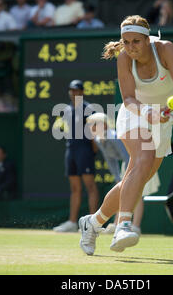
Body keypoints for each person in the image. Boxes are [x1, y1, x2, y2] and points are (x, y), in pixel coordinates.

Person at [78, 15, 173, 255]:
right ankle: (123, 226)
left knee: (139, 178)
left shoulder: (166, 50)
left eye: (136, 41)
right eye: (125, 42)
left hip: (162, 119)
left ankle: (92, 223)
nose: (130, 47)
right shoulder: (125, 58)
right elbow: (128, 98)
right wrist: (147, 112)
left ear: (148, 39)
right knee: (143, 158)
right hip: (135, 112)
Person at [86, 112, 160, 235]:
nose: (90, 128)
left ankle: (135, 226)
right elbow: (110, 160)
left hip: (137, 163)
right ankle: (117, 224)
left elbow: (128, 157)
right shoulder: (98, 140)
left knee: (137, 193)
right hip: (128, 165)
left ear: (103, 125)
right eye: (90, 125)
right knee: (123, 193)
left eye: (94, 124)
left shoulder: (114, 137)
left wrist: (130, 173)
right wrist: (117, 177)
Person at [53, 80, 99, 232]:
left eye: (77, 91)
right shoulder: (66, 110)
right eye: (72, 91)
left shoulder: (89, 109)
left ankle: (92, 223)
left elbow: (94, 133)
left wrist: (92, 151)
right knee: (74, 188)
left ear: (82, 92)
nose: (74, 93)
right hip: (71, 149)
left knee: (90, 187)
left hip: (85, 150)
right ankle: (72, 222)